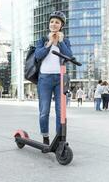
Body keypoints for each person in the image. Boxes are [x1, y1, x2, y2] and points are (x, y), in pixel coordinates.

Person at [34, 11, 73, 145]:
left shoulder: (65, 40)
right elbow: (38, 56)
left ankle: (59, 139)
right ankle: (45, 136)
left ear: (61, 25)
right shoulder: (42, 39)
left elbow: (69, 56)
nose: (54, 24)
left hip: (60, 79)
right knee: (44, 111)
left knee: (60, 111)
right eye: (52, 22)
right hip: (44, 79)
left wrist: (60, 42)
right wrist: (50, 42)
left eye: (57, 22)